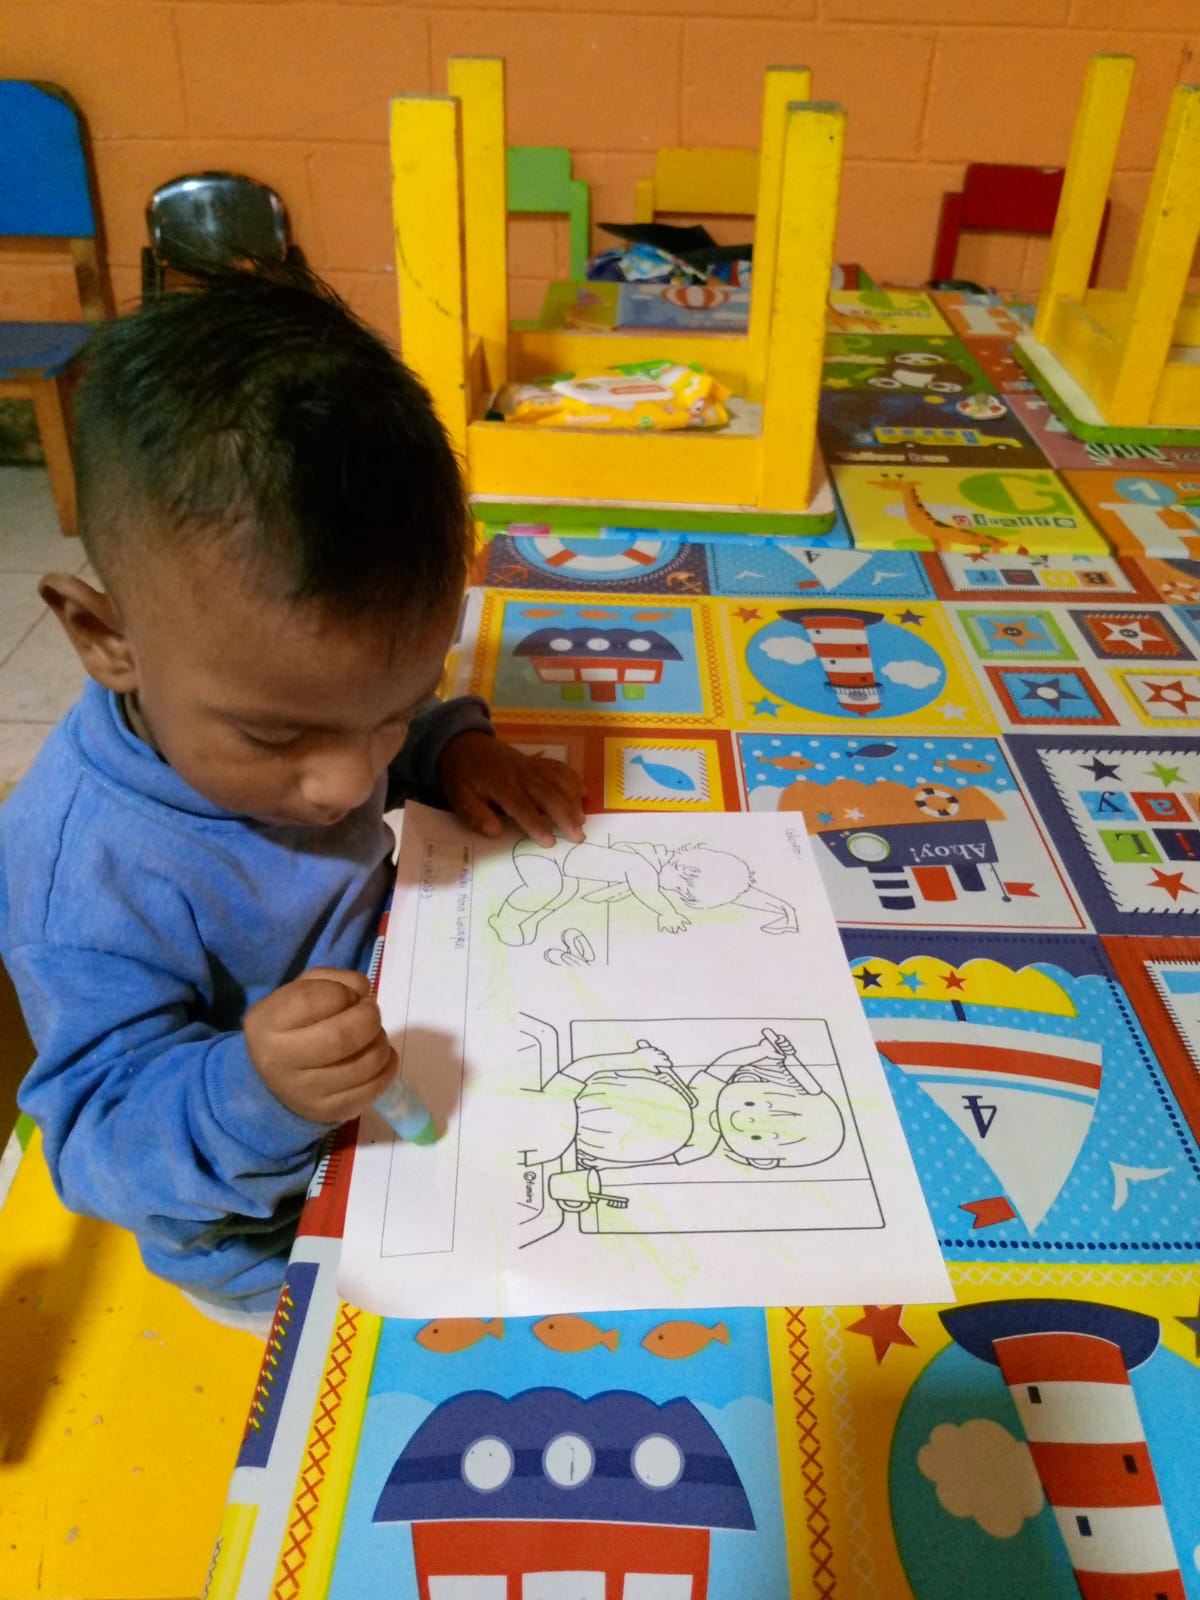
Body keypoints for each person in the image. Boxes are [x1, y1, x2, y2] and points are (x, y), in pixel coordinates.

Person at [0, 267, 584, 1328]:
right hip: (272, 1229)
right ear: (104, 638)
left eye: (390, 712)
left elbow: (362, 711)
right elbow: (96, 1148)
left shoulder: (298, 695)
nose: (351, 781)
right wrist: (254, 1089)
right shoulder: (82, 876)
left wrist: (449, 746)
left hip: (416, 1080)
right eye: (278, 737)